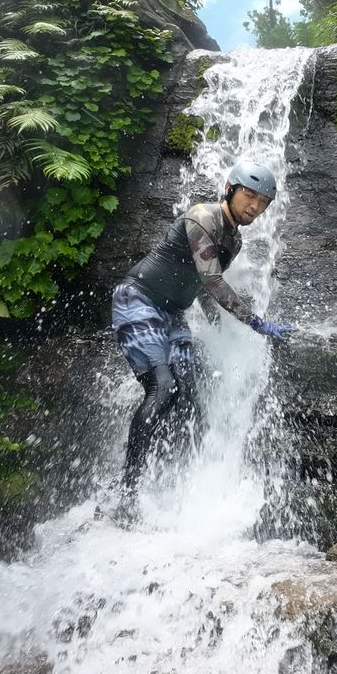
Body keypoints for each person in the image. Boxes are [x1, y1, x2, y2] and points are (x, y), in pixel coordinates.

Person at [110, 159, 293, 500]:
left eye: (262, 202)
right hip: (139, 300)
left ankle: (168, 482)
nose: (254, 206)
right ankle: (128, 490)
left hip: (173, 315)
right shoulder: (202, 216)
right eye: (248, 195)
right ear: (229, 189)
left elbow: (200, 287)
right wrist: (255, 322)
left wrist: (222, 329)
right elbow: (211, 279)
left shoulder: (233, 242)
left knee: (189, 394)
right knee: (161, 388)